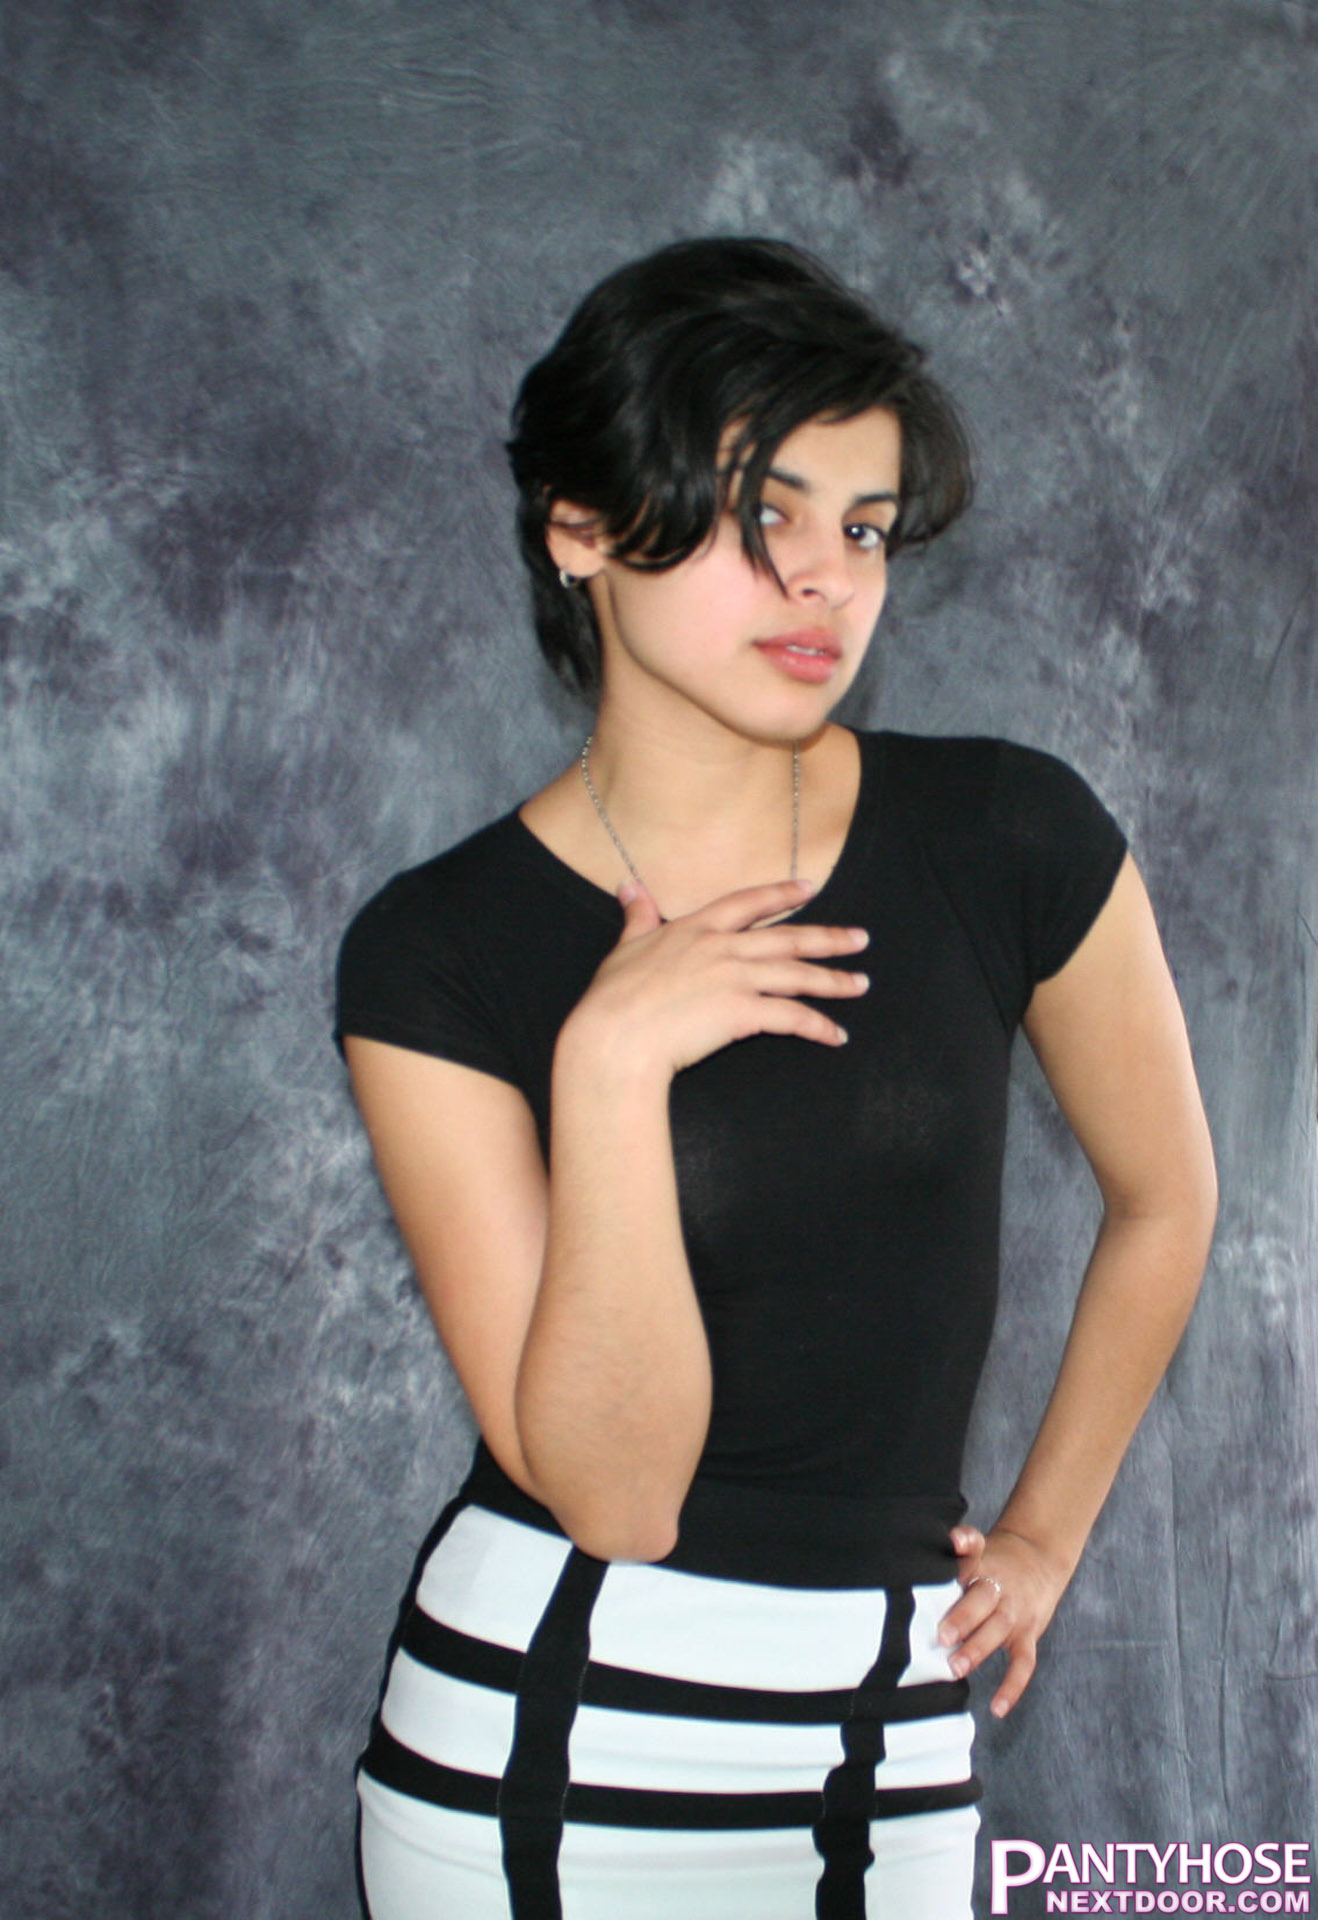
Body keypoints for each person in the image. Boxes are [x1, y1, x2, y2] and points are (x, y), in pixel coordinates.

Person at [334, 237, 1217, 1920]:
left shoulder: (1008, 833)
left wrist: (1045, 1535)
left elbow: (1166, 1200)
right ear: (579, 528)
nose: (825, 581)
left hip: (893, 1726)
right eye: (765, 515)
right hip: (554, 1738)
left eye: (863, 529)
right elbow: (615, 1498)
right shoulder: (436, 950)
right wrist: (610, 1066)